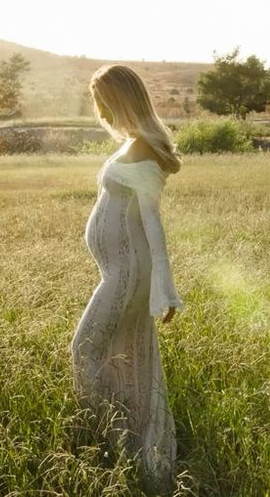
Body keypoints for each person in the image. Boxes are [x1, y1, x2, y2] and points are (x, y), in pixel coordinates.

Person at [71, 63, 184, 492]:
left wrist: (165, 291)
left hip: (128, 274)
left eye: (103, 102)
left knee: (85, 349)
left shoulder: (143, 150)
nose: (100, 111)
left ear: (120, 99)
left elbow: (153, 223)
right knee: (125, 356)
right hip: (119, 270)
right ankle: (130, 446)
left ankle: (111, 439)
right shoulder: (133, 145)